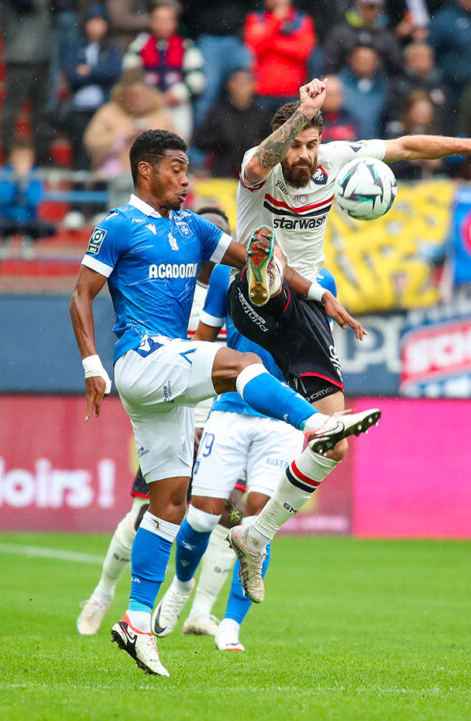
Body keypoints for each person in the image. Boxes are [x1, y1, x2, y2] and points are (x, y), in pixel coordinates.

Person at [70, 128, 379, 676]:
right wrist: (93, 363)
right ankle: (315, 425)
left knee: (167, 504)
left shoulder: (192, 228)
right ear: (145, 171)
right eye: (175, 168)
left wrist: (319, 293)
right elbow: (81, 295)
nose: (185, 179)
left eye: (187, 169)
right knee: (242, 366)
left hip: (166, 378)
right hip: (142, 357)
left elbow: (259, 264)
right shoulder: (116, 226)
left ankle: (137, 621)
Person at [223, 78, 471, 606]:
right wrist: (300, 113)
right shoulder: (258, 169)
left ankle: (255, 535)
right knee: (263, 258)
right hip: (255, 296)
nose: (304, 156)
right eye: (297, 145)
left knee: (335, 440)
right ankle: (265, 268)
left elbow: (405, 147)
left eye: (311, 144)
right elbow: (260, 165)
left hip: (305, 312)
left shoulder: (335, 160)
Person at [150, 260, 339, 654]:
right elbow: (201, 346)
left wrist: (325, 414)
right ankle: (182, 586)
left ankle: (232, 624)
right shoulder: (227, 274)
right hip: (230, 410)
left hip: (284, 418)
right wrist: (197, 414)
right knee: (201, 517)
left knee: (258, 524)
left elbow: (319, 354)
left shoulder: (321, 280)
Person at [75, 205, 245, 639]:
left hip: (222, 421)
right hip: (173, 413)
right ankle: (102, 591)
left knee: (231, 518)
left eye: (221, 240)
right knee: (144, 515)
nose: (214, 251)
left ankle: (200, 612)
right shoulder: (170, 291)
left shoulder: (236, 294)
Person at [122, 1, 204, 141]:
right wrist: (147, 93)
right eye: (158, 20)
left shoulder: (186, 46)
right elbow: (130, 73)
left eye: (166, 20)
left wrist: (177, 93)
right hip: (147, 106)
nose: (162, 24)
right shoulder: (140, 44)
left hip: (176, 106)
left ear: (174, 23)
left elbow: (197, 78)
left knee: (178, 147)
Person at [83, 68, 176, 181]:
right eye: (133, 95)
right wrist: (121, 136)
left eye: (142, 95)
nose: (138, 100)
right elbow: (92, 142)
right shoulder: (109, 112)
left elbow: (177, 147)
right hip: (113, 179)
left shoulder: (160, 115)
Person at [63, 4, 122, 173]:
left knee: (101, 153)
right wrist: (97, 74)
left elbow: (113, 72)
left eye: (100, 22)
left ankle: (97, 194)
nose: (96, 26)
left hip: (101, 108)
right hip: (79, 109)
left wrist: (89, 72)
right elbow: (71, 74)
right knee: (79, 153)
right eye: (92, 22)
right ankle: (79, 194)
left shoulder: (110, 49)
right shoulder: (77, 47)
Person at [0, 0, 54, 165]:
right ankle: (9, 153)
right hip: (20, 56)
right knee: (12, 108)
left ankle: (41, 153)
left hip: (42, 55)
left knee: (41, 110)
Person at [192, 69, 272, 178]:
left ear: (253, 86)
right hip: (221, 173)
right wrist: (221, 141)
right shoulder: (218, 112)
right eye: (237, 83)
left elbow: (271, 144)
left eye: (245, 83)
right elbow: (199, 141)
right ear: (229, 85)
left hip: (252, 176)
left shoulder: (262, 115)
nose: (241, 88)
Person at [244, 0, 316, 112]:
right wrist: (276, 19)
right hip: (263, 93)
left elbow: (303, 51)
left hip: (292, 93)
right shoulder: (255, 18)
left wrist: (271, 43)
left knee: (291, 129)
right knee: (264, 129)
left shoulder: (302, 20)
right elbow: (254, 47)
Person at [0, 139, 57, 255]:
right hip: (8, 219)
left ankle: (27, 240)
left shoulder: (36, 174)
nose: (22, 162)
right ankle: (5, 240)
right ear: (12, 159)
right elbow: (4, 197)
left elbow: (35, 200)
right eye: (18, 158)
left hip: (29, 220)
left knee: (50, 228)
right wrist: (16, 180)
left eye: (25, 158)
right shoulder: (5, 172)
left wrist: (25, 182)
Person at [322, 0, 403, 76]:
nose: (370, 11)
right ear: (358, 6)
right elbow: (330, 65)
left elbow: (396, 68)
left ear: (381, 10)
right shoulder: (340, 32)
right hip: (345, 81)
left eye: (374, 7)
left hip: (379, 84)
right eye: (366, 6)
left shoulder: (387, 35)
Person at [385, 41, 450, 136]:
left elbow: (445, 115)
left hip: (435, 135)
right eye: (419, 57)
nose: (424, 60)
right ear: (408, 61)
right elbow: (394, 116)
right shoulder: (399, 86)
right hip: (406, 136)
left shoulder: (439, 84)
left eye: (427, 57)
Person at [336, 44, 388, 140]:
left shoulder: (383, 88)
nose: (364, 63)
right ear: (351, 60)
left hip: (374, 145)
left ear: (376, 63)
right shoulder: (338, 84)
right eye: (360, 59)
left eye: (369, 60)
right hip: (344, 144)